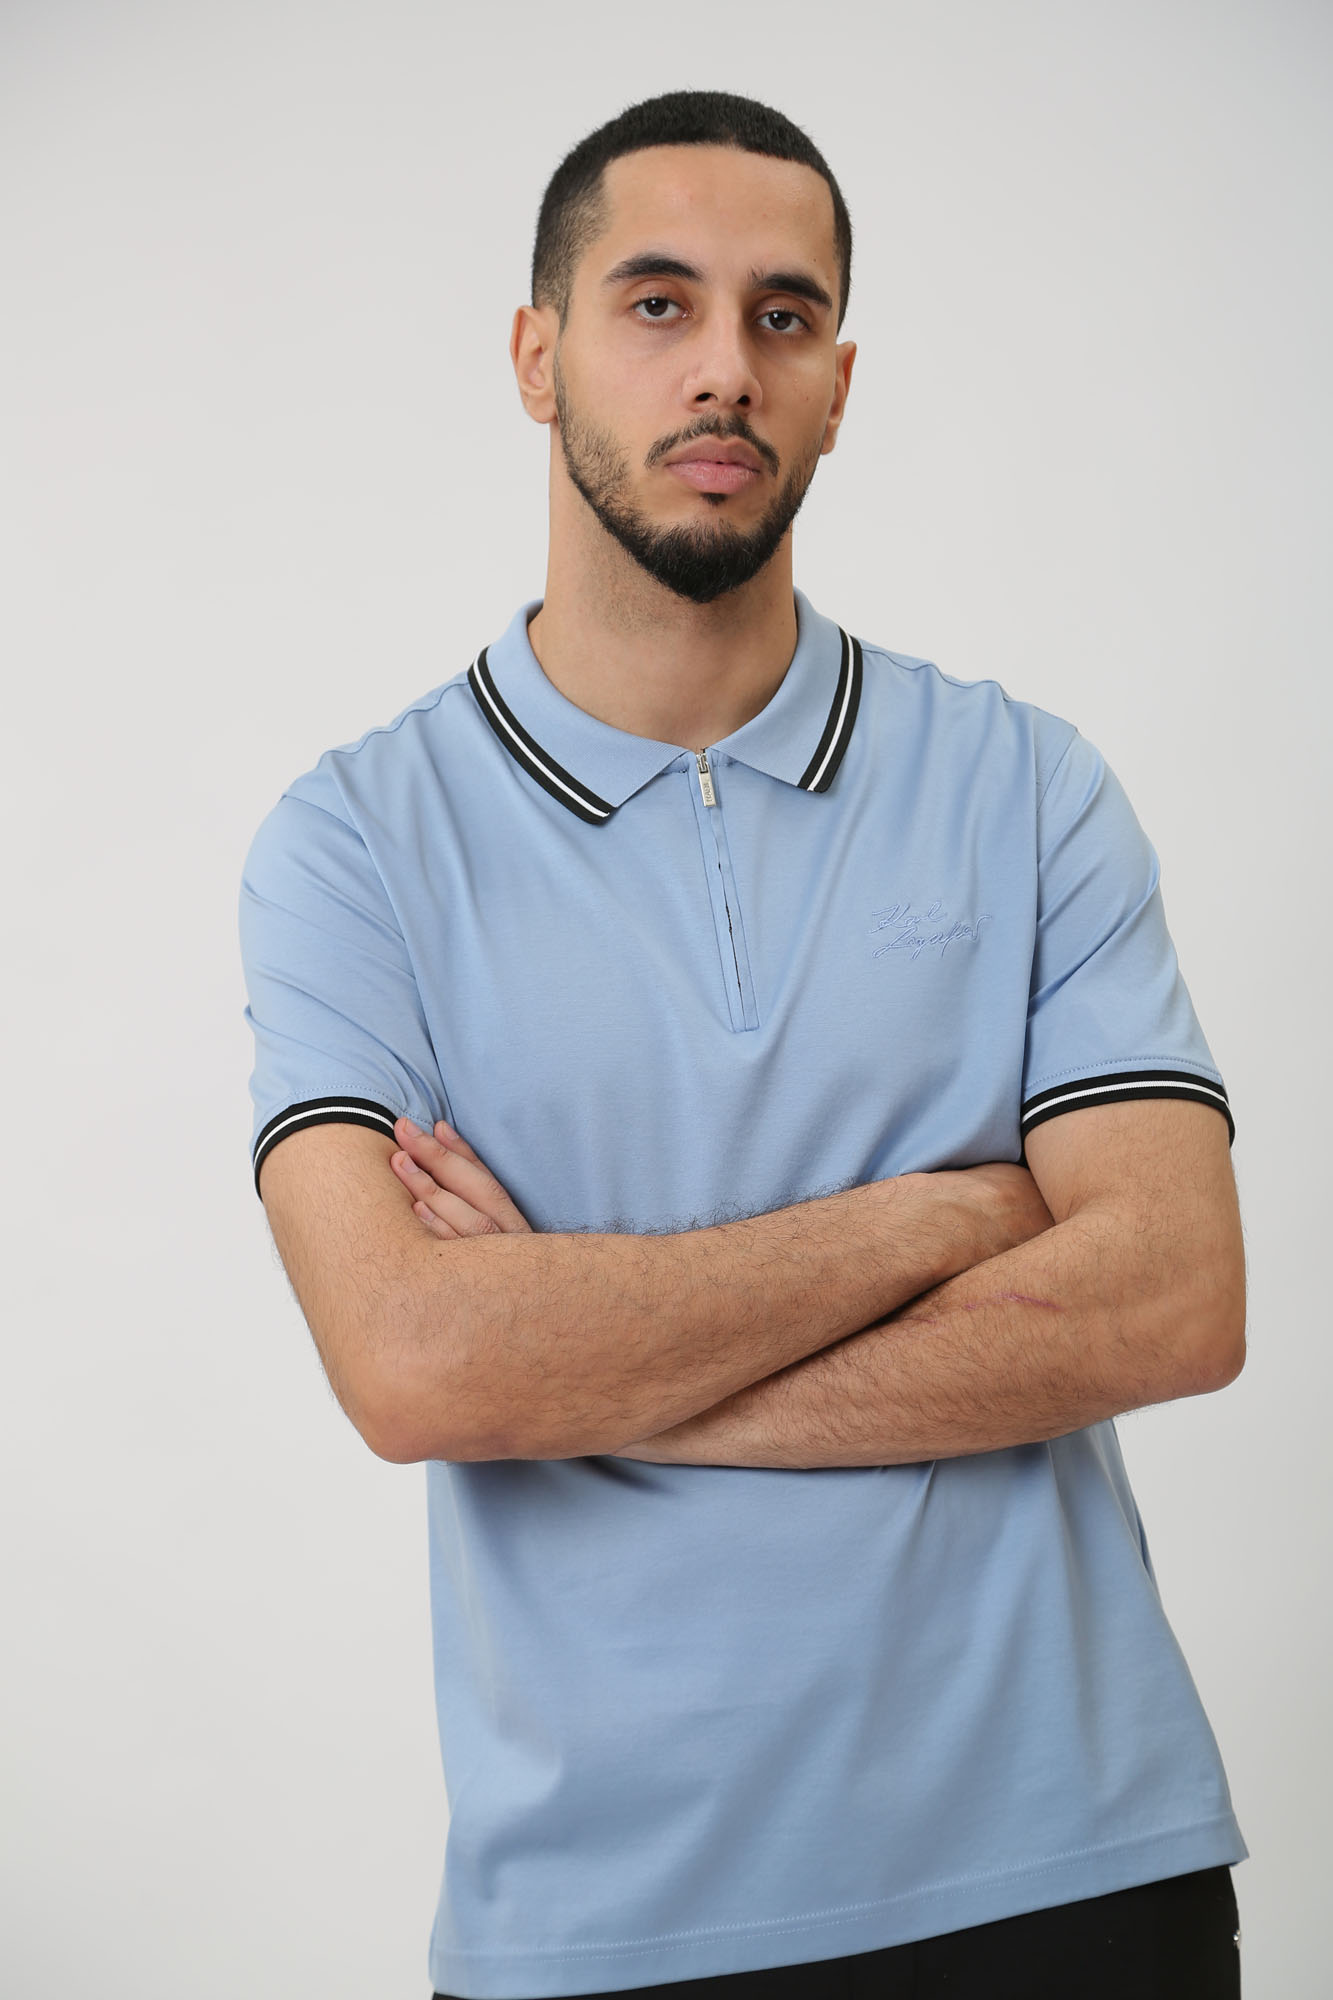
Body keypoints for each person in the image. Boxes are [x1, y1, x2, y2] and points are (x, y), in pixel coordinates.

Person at [239, 90, 1247, 2000]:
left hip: (1075, 1876)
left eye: (783, 317)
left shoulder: (1024, 787)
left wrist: (580, 1364)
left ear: (839, 385)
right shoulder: (355, 844)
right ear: (534, 355)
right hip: (596, 1926)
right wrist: (942, 1218)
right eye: (656, 304)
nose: (724, 367)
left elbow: (1173, 1303)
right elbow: (416, 1363)